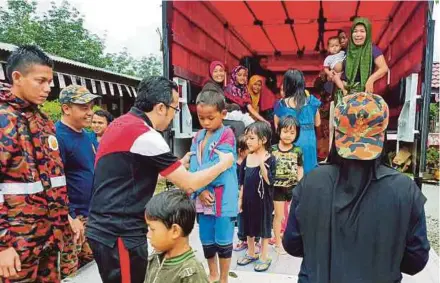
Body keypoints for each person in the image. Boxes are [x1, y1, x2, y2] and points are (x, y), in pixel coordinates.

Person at [86, 76, 234, 283]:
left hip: (104, 229)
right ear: (161, 108)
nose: (174, 116)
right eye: (175, 109)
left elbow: (130, 175)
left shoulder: (121, 123)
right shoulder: (145, 134)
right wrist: (224, 164)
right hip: (119, 233)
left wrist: (176, 165)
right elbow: (189, 184)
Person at [283, 92, 430, 282]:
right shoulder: (405, 190)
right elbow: (416, 261)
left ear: (338, 134)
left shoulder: (311, 182)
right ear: (382, 135)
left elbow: (292, 244)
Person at [0, 45, 69, 282]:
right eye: (41, 81)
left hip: (49, 237)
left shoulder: (42, 121)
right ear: (17, 77)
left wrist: (65, 221)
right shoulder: (3, 119)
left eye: (50, 81)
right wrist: (2, 245)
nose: (48, 88)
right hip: (17, 245)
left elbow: (54, 180)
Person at [189, 90, 238, 283]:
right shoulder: (198, 136)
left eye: (211, 118)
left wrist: (195, 181)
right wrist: (199, 190)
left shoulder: (227, 135)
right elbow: (193, 161)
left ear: (223, 114)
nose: (206, 122)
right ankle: (213, 273)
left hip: (222, 194)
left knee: (224, 239)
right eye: (201, 118)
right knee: (207, 238)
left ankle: (224, 277)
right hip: (203, 195)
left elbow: (217, 166)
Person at [55, 85, 100, 278]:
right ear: (66, 108)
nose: (90, 113)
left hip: (91, 214)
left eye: (91, 107)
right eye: (84, 108)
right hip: (72, 219)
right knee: (70, 272)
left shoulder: (87, 136)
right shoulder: (57, 137)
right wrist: (70, 216)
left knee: (91, 268)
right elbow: (55, 182)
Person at [144, 190, 209, 283]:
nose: (148, 235)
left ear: (175, 231)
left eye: (152, 229)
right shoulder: (156, 257)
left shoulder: (192, 274)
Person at [237, 122, 276, 272]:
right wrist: (240, 200)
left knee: (264, 227)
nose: (248, 141)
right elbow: (242, 182)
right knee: (248, 225)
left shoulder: (270, 158)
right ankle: (251, 252)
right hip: (248, 199)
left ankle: (264, 256)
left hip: (263, 200)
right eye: (247, 138)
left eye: (252, 138)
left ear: (264, 140)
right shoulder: (247, 158)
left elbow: (269, 181)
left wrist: (261, 164)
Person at [274, 69, 321, 174]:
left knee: (290, 175)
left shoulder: (281, 104)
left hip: (289, 142)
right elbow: (318, 123)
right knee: (309, 173)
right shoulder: (311, 101)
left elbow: (277, 127)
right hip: (309, 141)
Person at [270, 116, 303, 255]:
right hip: (277, 188)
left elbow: (300, 168)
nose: (288, 135)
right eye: (285, 131)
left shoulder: (297, 151)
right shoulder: (272, 149)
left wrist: (300, 184)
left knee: (292, 215)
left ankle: (290, 240)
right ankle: (278, 243)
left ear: (297, 134)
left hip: (293, 188)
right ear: (279, 131)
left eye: (292, 132)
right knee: (279, 216)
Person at [344, 17, 389, 94]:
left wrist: (371, 80)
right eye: (355, 31)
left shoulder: (372, 49)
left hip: (364, 93)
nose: (358, 35)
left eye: (362, 31)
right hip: (345, 93)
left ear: (367, 33)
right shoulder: (348, 51)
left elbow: (384, 68)